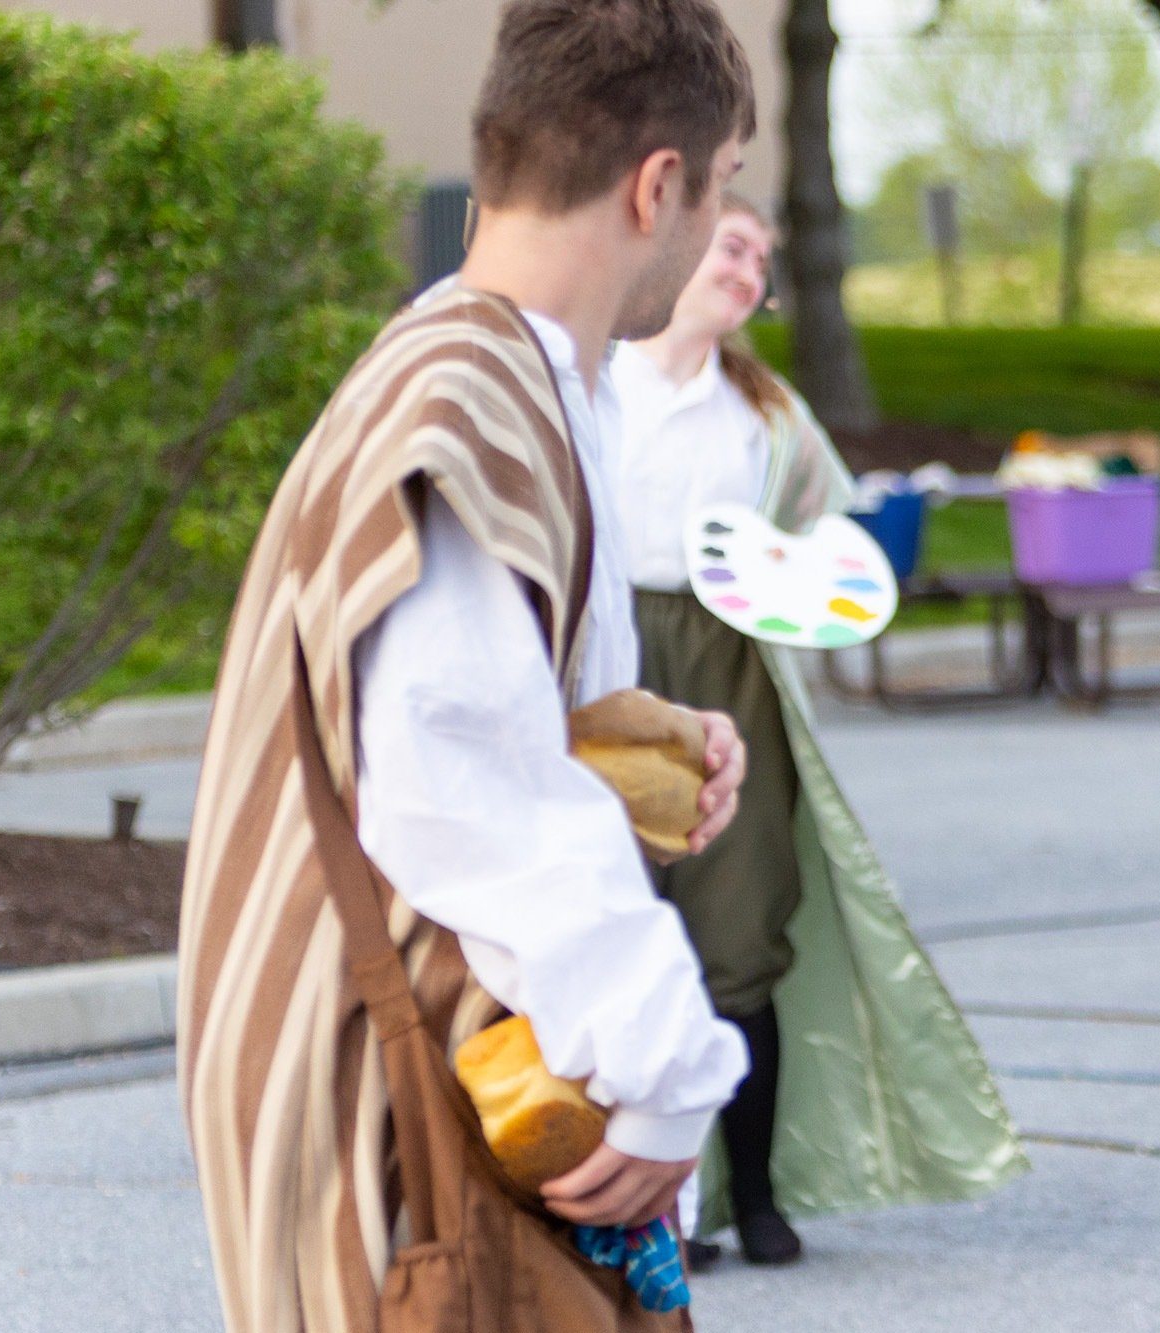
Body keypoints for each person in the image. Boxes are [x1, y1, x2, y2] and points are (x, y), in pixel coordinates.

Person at [177, 1, 759, 1327]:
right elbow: (457, 776)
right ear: (657, 183)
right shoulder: (466, 399)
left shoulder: (498, 370)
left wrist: (633, 742)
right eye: (722, 186)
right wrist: (669, 1072)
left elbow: (472, 711)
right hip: (404, 1107)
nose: (721, 219)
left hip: (437, 1077)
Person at [607, 194, 1027, 1266]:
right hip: (610, 658)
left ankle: (754, 1191)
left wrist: (845, 559)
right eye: (732, 246)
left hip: (728, 664)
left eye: (762, 258)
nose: (750, 269)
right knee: (618, 921)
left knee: (738, 928)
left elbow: (830, 539)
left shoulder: (764, 413)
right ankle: (661, 1204)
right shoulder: (594, 383)